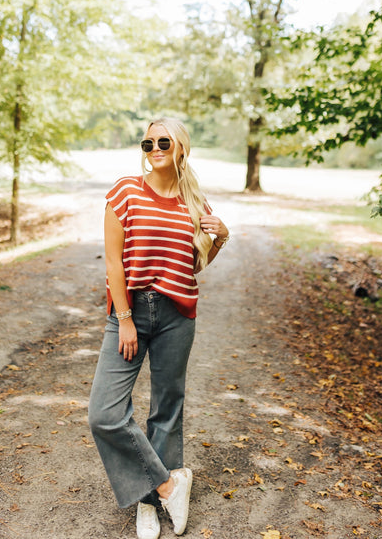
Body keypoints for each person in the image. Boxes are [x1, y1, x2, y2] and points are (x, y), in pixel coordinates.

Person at [88, 117, 229, 539]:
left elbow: (194, 266)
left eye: (163, 141)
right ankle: (169, 485)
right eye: (147, 141)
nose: (154, 148)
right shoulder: (126, 190)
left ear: (181, 148)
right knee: (105, 414)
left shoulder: (196, 203)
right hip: (129, 312)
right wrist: (125, 318)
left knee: (167, 409)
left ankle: (148, 507)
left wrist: (220, 238)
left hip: (176, 314)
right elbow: (114, 262)